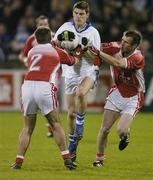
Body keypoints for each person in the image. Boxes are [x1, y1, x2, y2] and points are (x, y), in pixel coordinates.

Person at [11, 26, 78, 170]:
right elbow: (73, 61)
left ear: (36, 39)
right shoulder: (56, 51)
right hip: (45, 86)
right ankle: (67, 159)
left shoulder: (31, 51)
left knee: (28, 127)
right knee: (56, 124)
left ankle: (18, 162)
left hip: (28, 86)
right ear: (50, 38)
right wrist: (71, 50)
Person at [54, 1, 101, 161]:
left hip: (88, 71)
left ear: (87, 15)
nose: (78, 17)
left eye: (82, 14)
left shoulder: (93, 32)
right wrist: (63, 46)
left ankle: (81, 123)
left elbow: (96, 57)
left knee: (81, 93)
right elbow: (54, 45)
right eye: (76, 13)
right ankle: (73, 144)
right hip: (70, 73)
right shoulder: (65, 28)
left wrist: (79, 49)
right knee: (70, 113)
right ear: (73, 14)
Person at [91, 30, 145, 167]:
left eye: (126, 42)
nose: (122, 44)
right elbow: (95, 46)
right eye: (122, 40)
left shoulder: (138, 57)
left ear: (134, 46)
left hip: (134, 97)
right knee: (104, 129)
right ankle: (99, 160)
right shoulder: (115, 46)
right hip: (117, 92)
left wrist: (98, 53)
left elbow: (118, 63)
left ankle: (125, 135)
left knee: (121, 130)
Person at [19, 15, 54, 137]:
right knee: (45, 101)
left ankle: (51, 127)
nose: (44, 26)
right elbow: (22, 55)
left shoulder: (54, 36)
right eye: (41, 24)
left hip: (52, 73)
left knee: (49, 100)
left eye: (45, 24)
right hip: (36, 74)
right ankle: (52, 127)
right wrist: (25, 61)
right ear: (36, 25)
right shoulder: (31, 39)